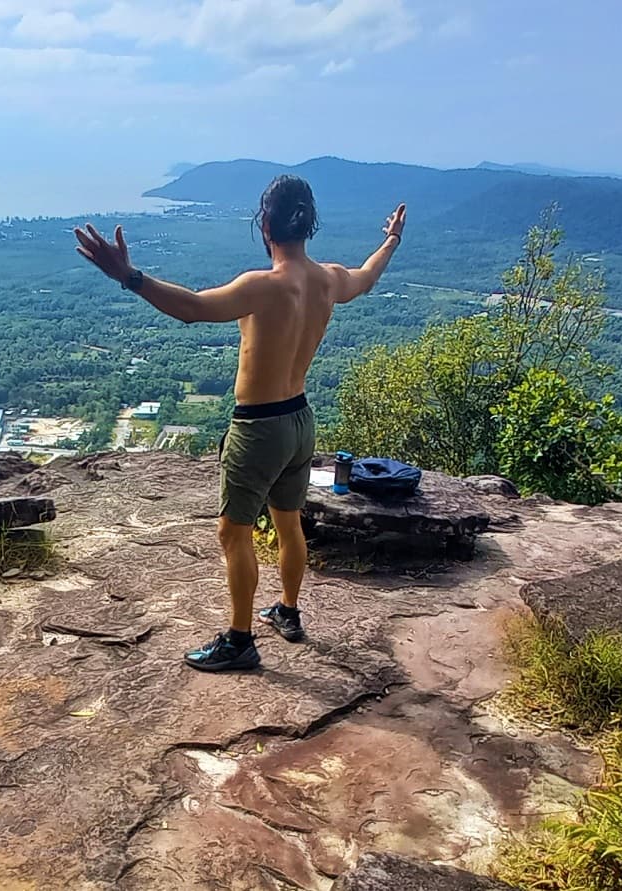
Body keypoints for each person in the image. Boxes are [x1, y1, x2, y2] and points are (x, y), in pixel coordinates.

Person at [74, 176, 405, 671]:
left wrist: (130, 276)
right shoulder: (329, 279)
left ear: (265, 225)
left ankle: (240, 638)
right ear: (308, 225)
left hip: (259, 427)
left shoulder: (261, 286)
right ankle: (288, 613)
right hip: (300, 420)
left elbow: (192, 309)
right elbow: (368, 275)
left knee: (235, 531)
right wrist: (392, 239)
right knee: (289, 522)